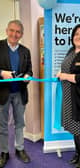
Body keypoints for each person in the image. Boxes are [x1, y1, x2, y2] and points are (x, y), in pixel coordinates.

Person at [0, 20, 33, 168]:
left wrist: (27, 77)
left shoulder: (25, 51)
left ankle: (19, 148)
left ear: (21, 34)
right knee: (3, 125)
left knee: (20, 123)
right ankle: (4, 152)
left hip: (19, 92)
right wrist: (1, 73)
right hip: (1, 93)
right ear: (7, 31)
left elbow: (29, 70)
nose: (14, 34)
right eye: (12, 30)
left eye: (18, 32)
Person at [57, 24, 80, 168]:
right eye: (76, 34)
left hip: (79, 99)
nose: (78, 36)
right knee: (74, 129)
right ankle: (78, 154)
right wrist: (59, 74)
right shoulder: (71, 51)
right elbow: (65, 67)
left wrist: (65, 76)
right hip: (68, 97)